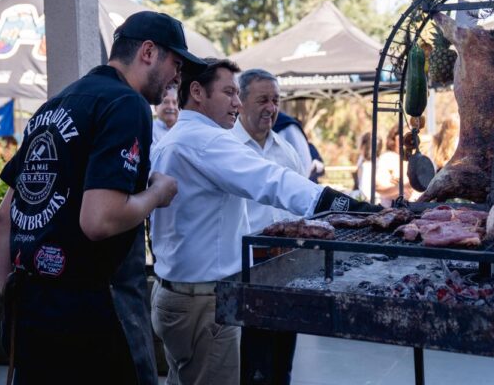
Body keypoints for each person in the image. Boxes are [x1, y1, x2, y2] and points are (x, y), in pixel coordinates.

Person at [0, 11, 207, 385]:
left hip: (32, 313)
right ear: (148, 51)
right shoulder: (126, 104)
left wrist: (13, 304)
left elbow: (3, 220)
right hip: (94, 318)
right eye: (176, 63)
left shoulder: (54, 105)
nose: (178, 78)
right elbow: (99, 220)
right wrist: (156, 193)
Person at [149, 58, 379, 385]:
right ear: (197, 92)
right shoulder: (205, 140)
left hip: (176, 296)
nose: (237, 103)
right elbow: (270, 180)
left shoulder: (175, 138)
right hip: (203, 304)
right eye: (229, 92)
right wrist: (344, 205)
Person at [231, 68, 303, 384]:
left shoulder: (287, 152)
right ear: (241, 102)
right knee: (251, 362)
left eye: (275, 100)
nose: (271, 108)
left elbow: (300, 209)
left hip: (285, 269)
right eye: (262, 99)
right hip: (245, 269)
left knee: (281, 362)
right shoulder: (225, 149)